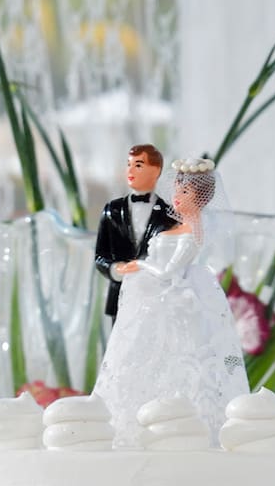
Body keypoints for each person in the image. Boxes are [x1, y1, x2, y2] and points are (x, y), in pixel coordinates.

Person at [91, 154, 246, 446]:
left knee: (178, 358)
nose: (176, 196)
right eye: (176, 189)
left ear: (200, 197)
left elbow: (168, 270)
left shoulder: (194, 231)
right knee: (144, 357)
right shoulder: (176, 222)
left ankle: (178, 425)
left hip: (175, 298)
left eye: (184, 191)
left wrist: (139, 265)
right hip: (153, 298)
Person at [93, 142, 178, 322]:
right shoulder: (112, 211)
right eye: (128, 164)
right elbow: (101, 256)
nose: (130, 170)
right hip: (120, 299)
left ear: (156, 171)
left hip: (156, 300)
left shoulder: (170, 215)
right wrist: (116, 270)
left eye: (138, 165)